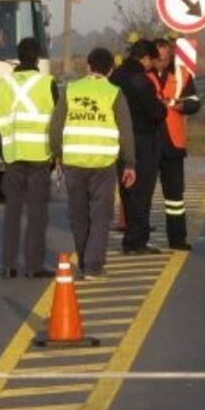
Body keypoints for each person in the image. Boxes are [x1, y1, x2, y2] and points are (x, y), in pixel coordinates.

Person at [50, 48, 137, 278]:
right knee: (101, 214)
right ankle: (93, 265)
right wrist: (129, 163)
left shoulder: (70, 90)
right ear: (110, 70)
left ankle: (84, 258)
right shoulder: (114, 93)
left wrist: (58, 154)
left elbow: (55, 127)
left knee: (78, 213)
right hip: (103, 164)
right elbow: (125, 131)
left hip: (73, 162)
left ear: (88, 67)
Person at [0, 38, 57, 279]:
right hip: (40, 157)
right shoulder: (46, 83)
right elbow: (56, 123)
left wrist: (5, 154)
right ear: (38, 58)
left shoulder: (3, 84)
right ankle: (34, 266)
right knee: (37, 213)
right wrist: (56, 154)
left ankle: (8, 265)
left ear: (18, 57)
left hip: (13, 156)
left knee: (12, 211)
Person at [110, 39, 168, 254]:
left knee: (127, 189)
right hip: (142, 139)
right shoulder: (140, 80)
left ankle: (131, 237)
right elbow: (154, 110)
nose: (152, 65)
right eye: (151, 61)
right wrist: (163, 109)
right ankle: (137, 240)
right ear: (145, 58)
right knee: (142, 190)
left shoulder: (115, 76)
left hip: (119, 139)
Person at [151, 38, 200, 250]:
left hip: (173, 142)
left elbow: (195, 102)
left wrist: (183, 106)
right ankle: (139, 238)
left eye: (165, 58)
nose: (162, 63)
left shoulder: (181, 74)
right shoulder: (143, 75)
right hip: (149, 140)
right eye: (158, 59)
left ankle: (177, 238)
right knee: (142, 194)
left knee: (175, 196)